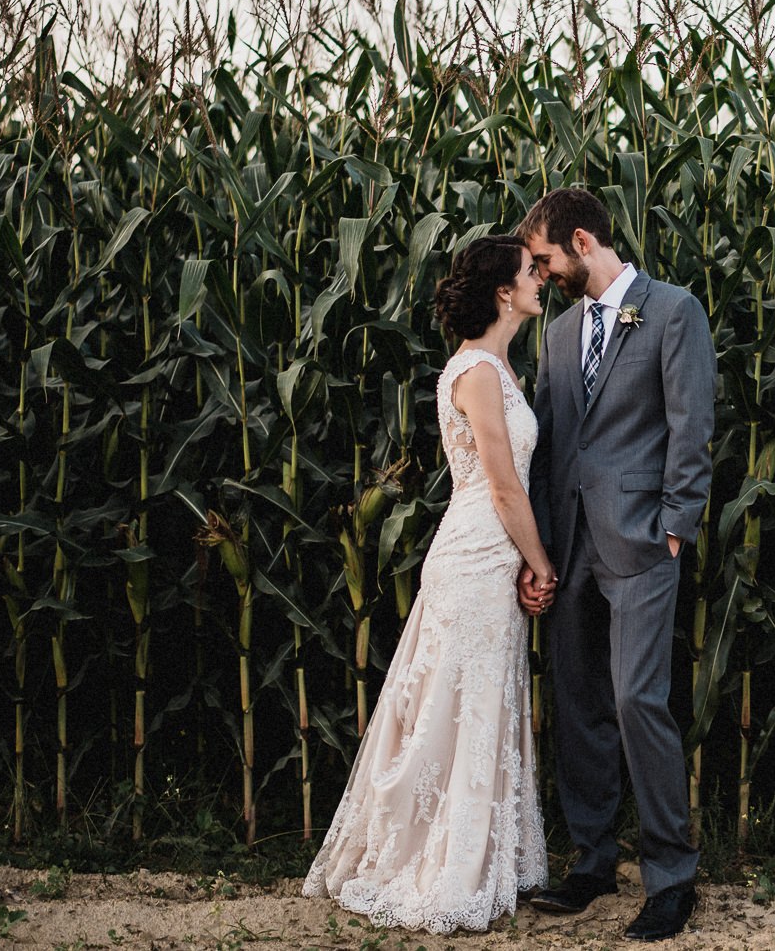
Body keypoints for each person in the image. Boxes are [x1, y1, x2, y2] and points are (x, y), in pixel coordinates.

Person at [303, 235, 552, 933]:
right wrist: (540, 562)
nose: (541, 280)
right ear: (504, 292)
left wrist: (526, 560)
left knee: (476, 699)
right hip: (477, 553)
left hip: (491, 553)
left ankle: (477, 852)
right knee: (460, 704)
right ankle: (443, 862)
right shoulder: (476, 372)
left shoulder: (499, 370)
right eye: (532, 273)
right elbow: (503, 488)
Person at [518, 188, 715, 942]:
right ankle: (592, 862)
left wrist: (675, 526)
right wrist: (537, 547)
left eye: (544, 260)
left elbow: (691, 425)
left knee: (638, 701)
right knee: (578, 707)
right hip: (569, 544)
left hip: (641, 543)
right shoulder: (560, 334)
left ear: (580, 241)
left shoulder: (672, 311)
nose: (541, 275)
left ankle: (672, 875)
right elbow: (549, 443)